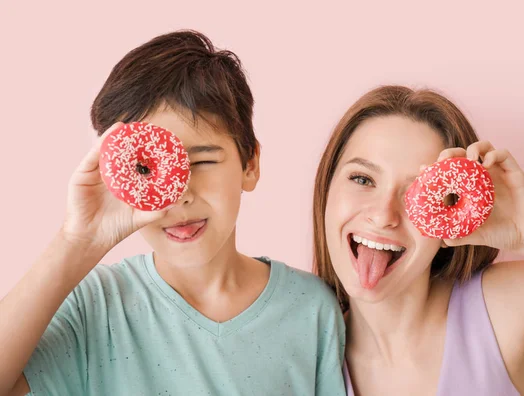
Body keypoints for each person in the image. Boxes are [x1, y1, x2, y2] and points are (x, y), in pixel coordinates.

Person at [0, 30, 346, 396]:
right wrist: (75, 241)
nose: (177, 197)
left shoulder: (312, 310)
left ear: (250, 164)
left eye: (203, 160)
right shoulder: (95, 304)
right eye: (147, 170)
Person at [313, 85, 524, 395]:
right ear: (328, 186)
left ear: (451, 212)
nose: (384, 215)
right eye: (363, 179)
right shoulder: (304, 363)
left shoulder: (504, 309)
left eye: (417, 192)